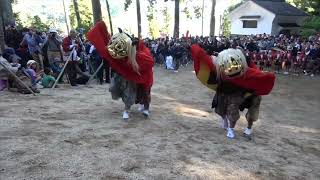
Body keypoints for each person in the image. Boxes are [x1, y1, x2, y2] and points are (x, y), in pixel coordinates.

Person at [87, 21, 154, 120]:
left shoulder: (142, 55)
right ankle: (128, 109)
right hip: (128, 74)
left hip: (144, 75)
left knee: (145, 91)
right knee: (124, 89)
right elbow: (106, 49)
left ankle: (145, 108)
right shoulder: (119, 54)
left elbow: (150, 62)